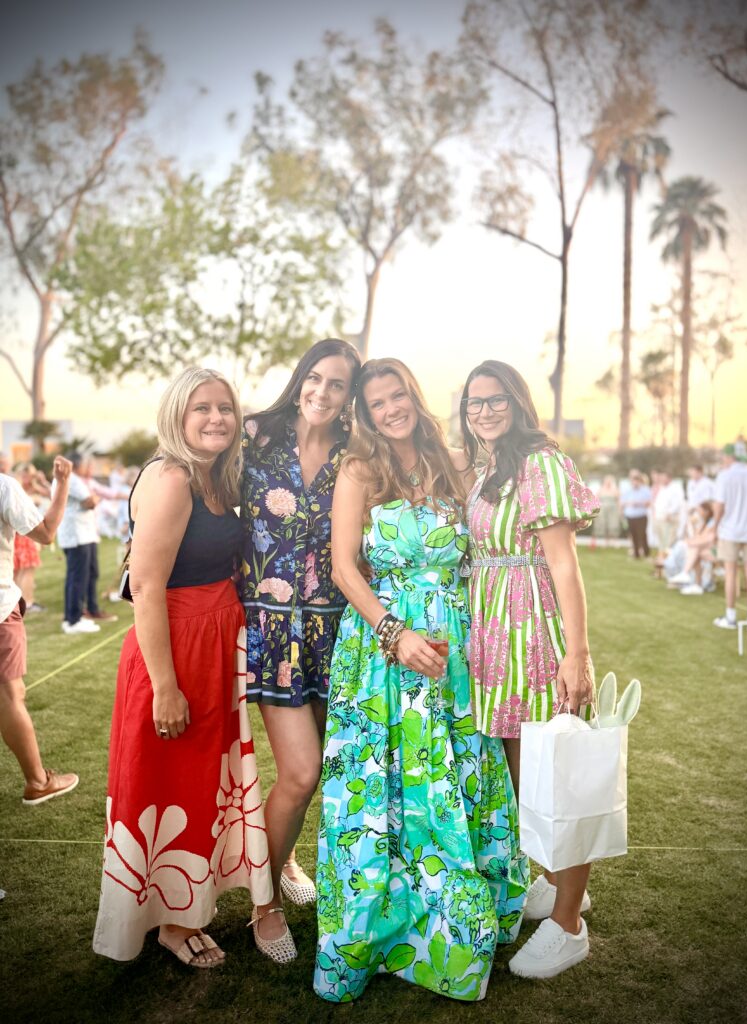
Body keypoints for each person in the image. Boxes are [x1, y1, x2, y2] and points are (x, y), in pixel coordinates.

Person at [314, 358, 526, 1003]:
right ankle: (374, 935)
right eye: (376, 403)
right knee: (379, 791)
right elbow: (345, 569)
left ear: (413, 395)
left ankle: (454, 932)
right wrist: (395, 635)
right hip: (381, 650)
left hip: (454, 649)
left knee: (452, 778)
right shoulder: (357, 471)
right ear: (364, 413)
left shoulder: (457, 463)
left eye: (397, 395)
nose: (390, 410)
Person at [93, 367, 272, 967]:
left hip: (215, 646)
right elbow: (145, 587)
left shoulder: (217, 476)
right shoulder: (172, 478)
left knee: (202, 784)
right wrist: (165, 688)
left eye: (225, 407)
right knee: (167, 784)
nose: (216, 417)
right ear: (178, 414)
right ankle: (172, 925)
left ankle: (187, 907)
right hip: (176, 649)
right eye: (203, 408)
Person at [460, 360, 599, 980]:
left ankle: (569, 925)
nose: (483, 411)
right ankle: (552, 885)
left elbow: (565, 568)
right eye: (473, 402)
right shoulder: (488, 467)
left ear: (516, 403)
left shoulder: (541, 463)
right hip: (493, 639)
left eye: (494, 401)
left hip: (535, 634)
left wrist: (578, 653)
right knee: (520, 783)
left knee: (558, 780)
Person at [240, 338, 361, 962]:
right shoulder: (254, 437)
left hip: (335, 633)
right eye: (314, 378)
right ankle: (264, 905)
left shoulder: (355, 454)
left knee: (314, 774)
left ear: (349, 397)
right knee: (300, 771)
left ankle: (281, 862)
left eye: (337, 384)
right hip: (270, 631)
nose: (321, 391)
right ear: (300, 380)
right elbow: (197, 488)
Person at [1, 455, 79, 804]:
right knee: (9, 694)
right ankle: (37, 780)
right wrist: (61, 484)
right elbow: (46, 533)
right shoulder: (4, 487)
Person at [55, 452, 115, 634]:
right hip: (78, 535)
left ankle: (73, 617)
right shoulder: (72, 479)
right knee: (78, 578)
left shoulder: (70, 479)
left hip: (80, 534)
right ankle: (74, 620)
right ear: (77, 465)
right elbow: (89, 502)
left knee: (79, 577)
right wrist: (96, 497)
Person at [711, 443, 747, 631]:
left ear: (730, 457)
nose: (723, 460)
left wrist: (714, 527)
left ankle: (731, 617)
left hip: (730, 530)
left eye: (724, 457)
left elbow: (719, 506)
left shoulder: (724, 476)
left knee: (731, 572)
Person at [13, 463, 50, 612]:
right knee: (25, 569)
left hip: (22, 534)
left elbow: (52, 494)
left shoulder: (29, 488)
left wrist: (42, 481)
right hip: (24, 534)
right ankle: (27, 602)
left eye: (30, 475)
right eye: (25, 474)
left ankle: (20, 602)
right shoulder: (18, 489)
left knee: (22, 569)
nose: (27, 478)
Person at [620, 470, 651, 558]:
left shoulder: (645, 490)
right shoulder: (627, 490)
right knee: (633, 535)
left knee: (642, 534)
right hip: (630, 516)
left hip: (641, 515)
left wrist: (639, 503)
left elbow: (648, 502)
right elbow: (623, 502)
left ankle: (646, 553)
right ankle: (636, 553)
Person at [594, 475, 620, 544]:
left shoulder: (615, 490)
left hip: (613, 510)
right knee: (604, 524)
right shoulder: (601, 489)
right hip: (603, 510)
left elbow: (618, 500)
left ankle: (614, 541)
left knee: (613, 524)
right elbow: (596, 499)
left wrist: (619, 509)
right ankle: (606, 541)